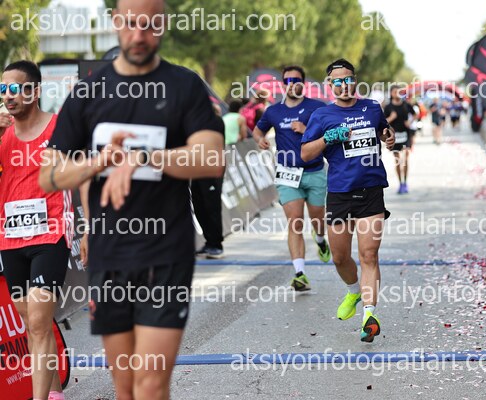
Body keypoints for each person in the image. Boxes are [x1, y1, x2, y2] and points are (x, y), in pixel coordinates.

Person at [38, 1, 225, 399]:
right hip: (110, 255)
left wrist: (143, 156)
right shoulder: (89, 92)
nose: (139, 35)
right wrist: (99, 162)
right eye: (131, 24)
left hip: (166, 253)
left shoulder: (184, 85)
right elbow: (48, 175)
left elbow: (212, 158)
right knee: (125, 387)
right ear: (115, 22)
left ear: (163, 24)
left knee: (151, 382)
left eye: (150, 25)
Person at [301, 58, 395, 342]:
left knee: (369, 254)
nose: (344, 85)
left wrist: (389, 138)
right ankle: (354, 292)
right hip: (340, 194)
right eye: (338, 81)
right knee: (340, 257)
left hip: (371, 191)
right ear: (330, 85)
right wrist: (329, 138)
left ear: (355, 80)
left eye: (349, 79)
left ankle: (369, 315)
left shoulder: (372, 108)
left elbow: (384, 132)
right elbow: (306, 154)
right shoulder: (322, 115)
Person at [0, 61, 73, 400]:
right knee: (32, 323)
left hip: (50, 234)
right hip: (11, 238)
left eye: (15, 88)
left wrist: (88, 229)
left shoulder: (59, 128)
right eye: (3, 89)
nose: (8, 96)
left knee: (41, 323)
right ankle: (55, 392)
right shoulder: (2, 133)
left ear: (35, 91)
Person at [253, 65, 331, 291]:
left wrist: (307, 129)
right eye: (287, 81)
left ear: (302, 83)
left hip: (314, 171)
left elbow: (330, 132)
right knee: (295, 221)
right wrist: (259, 139)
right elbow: (258, 130)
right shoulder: (273, 111)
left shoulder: (317, 107)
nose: (291, 84)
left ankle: (320, 239)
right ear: (282, 85)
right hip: (287, 174)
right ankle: (300, 274)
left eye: (296, 80)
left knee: (317, 219)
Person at [384, 86, 415, 194]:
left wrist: (410, 122)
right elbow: (383, 122)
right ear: (391, 94)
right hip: (394, 136)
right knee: (397, 160)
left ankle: (405, 182)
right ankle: (400, 183)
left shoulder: (406, 104)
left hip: (405, 134)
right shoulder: (388, 107)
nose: (397, 93)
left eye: (398, 91)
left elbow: (415, 114)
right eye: (395, 92)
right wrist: (391, 118)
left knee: (405, 158)